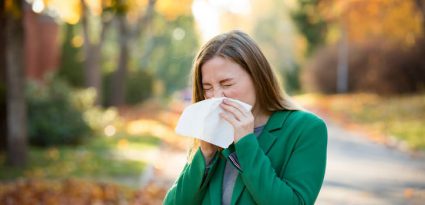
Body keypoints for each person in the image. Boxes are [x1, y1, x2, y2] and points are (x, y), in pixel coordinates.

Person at [163, 30, 327, 205]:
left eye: (227, 84)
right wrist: (205, 155)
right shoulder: (210, 130)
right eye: (208, 87)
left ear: (258, 78)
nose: (216, 96)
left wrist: (246, 144)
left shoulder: (306, 129)